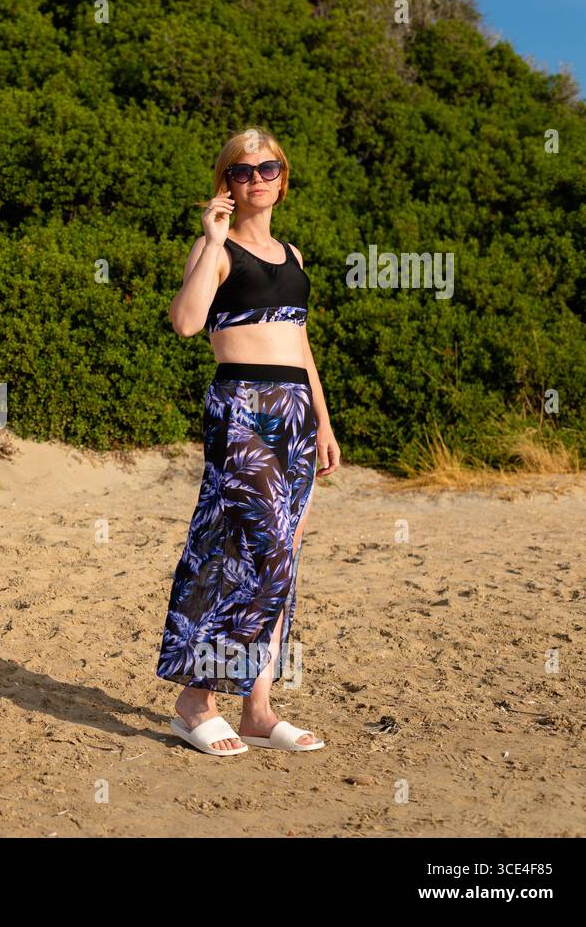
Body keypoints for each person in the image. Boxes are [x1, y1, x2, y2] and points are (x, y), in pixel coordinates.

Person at [157, 127, 341, 756]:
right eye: (242, 170)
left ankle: (258, 708)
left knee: (282, 554)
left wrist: (323, 418)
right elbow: (185, 323)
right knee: (254, 550)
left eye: (268, 168)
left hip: (294, 410)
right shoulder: (218, 249)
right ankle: (195, 701)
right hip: (242, 407)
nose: (257, 177)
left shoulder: (292, 255)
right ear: (226, 183)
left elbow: (301, 344)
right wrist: (211, 241)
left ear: (282, 178)